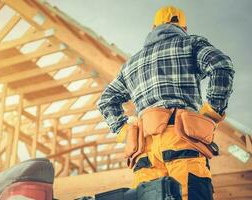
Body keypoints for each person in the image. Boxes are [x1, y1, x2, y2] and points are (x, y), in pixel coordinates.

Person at [97, 5, 235, 200]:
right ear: (184, 28)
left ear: (153, 27)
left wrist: (124, 132)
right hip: (181, 140)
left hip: (144, 151)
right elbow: (221, 65)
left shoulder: (131, 64)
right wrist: (212, 111)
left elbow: (106, 100)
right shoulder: (190, 44)